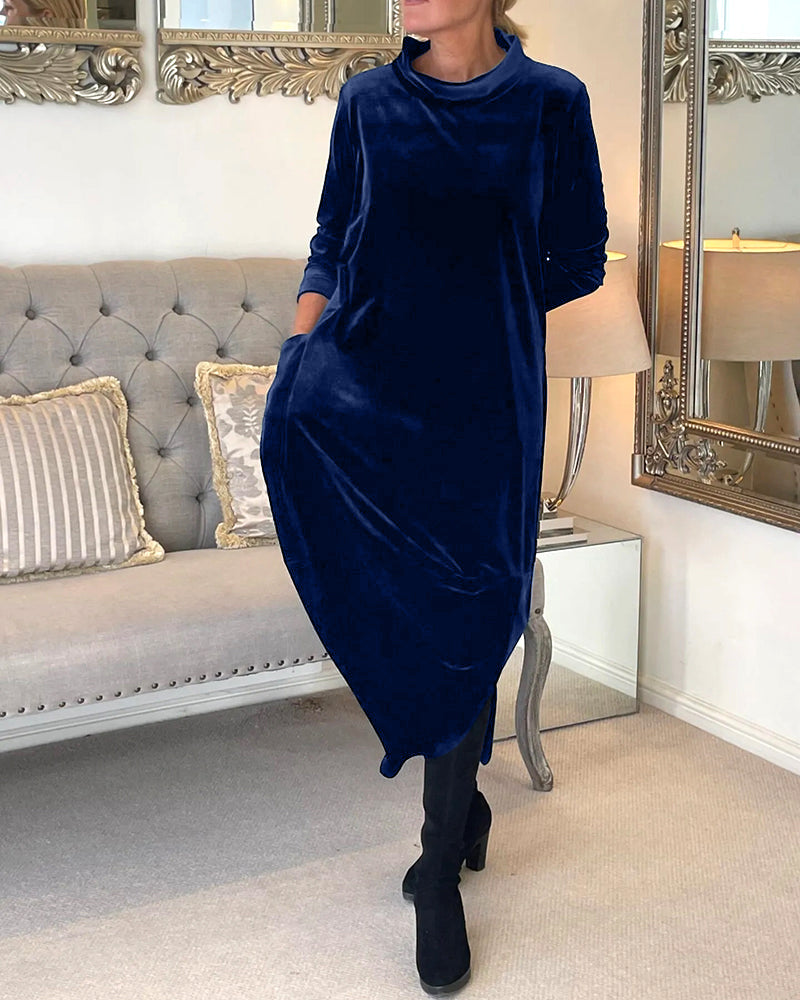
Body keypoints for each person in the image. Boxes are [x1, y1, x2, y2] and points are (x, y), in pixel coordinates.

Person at [260, 0, 609, 992]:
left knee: (476, 605)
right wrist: (300, 352)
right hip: (375, 391)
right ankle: (448, 838)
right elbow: (333, 238)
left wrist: (474, 301)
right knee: (410, 608)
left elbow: (578, 255)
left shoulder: (551, 103)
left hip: (489, 405)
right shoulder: (368, 102)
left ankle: (440, 854)